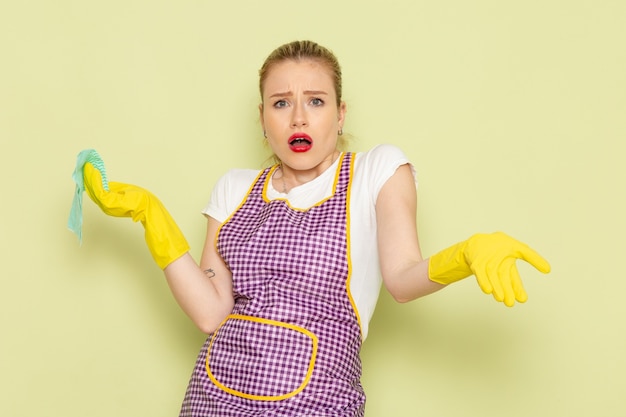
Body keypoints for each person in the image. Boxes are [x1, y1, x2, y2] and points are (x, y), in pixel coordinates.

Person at [75, 40, 551, 417]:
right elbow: (210, 314)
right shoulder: (235, 189)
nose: (298, 117)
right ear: (262, 119)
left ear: (340, 114)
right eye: (281, 103)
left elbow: (402, 279)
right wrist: (150, 216)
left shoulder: (376, 171)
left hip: (317, 403)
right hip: (213, 399)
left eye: (316, 101)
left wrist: (465, 255)